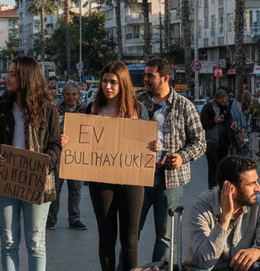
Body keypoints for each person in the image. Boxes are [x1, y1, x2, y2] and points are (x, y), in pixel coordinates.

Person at [0, 56, 61, 271]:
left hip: (37, 182)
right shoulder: (0, 106)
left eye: (12, 74)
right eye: (8, 73)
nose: (6, 78)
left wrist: (45, 164)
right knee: (8, 243)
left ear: (26, 77)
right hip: (5, 180)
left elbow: (55, 145)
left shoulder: (47, 109)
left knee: (36, 243)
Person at [137, 58, 205, 263]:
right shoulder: (136, 102)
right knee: (130, 234)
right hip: (138, 176)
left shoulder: (185, 106)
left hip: (170, 181)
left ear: (165, 78)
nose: (145, 79)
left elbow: (200, 142)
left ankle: (159, 268)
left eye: (150, 75)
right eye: (145, 74)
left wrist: (181, 157)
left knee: (165, 237)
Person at [87, 61, 153, 271]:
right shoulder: (93, 109)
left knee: (130, 240)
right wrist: (69, 142)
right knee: (106, 237)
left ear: (123, 83)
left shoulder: (138, 110)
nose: (107, 86)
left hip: (132, 181)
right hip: (101, 181)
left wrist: (154, 145)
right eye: (104, 81)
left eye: (113, 82)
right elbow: (84, 142)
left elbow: (148, 141)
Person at [185, 156, 260, 271]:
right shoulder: (200, 208)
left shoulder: (259, 204)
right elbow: (204, 262)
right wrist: (225, 218)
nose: (258, 188)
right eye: (251, 184)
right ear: (231, 188)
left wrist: (259, 252)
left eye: (257, 181)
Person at [47, 82, 87, 231]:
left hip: (77, 154)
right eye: (68, 94)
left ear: (78, 95)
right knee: (55, 187)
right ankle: (51, 219)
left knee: (76, 188)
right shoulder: (55, 110)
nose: (71, 97)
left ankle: (74, 219)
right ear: (63, 95)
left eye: (74, 94)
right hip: (58, 153)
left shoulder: (84, 110)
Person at [201, 90, 233, 189]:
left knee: (223, 166)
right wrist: (213, 122)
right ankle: (212, 189)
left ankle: (222, 188)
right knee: (213, 167)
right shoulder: (207, 108)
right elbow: (202, 124)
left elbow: (229, 122)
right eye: (223, 99)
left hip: (223, 141)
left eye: (226, 100)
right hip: (211, 142)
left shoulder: (225, 108)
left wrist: (233, 125)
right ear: (217, 99)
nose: (225, 101)